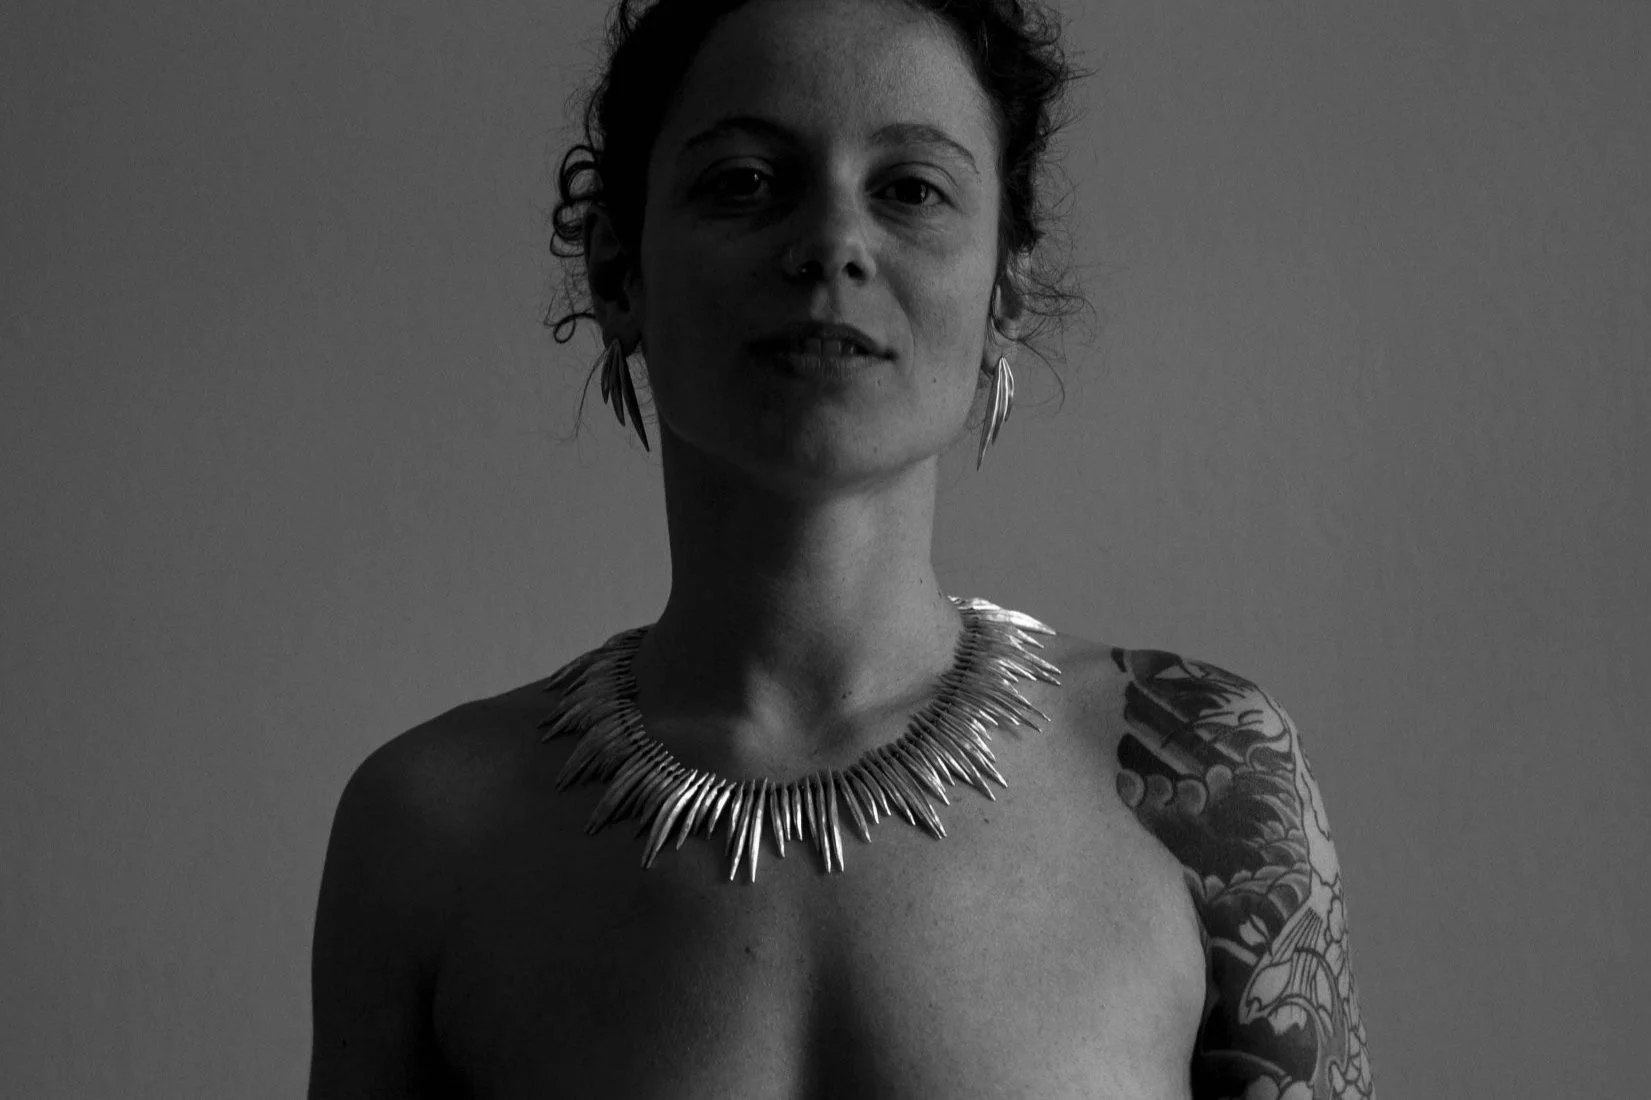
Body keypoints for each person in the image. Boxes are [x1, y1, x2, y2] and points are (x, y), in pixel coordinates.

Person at [308, 0, 1375, 1096]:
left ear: (1006, 285)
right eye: (743, 181)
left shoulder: (1200, 773)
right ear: (617, 270)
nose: (830, 244)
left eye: (909, 189)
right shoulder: (431, 830)